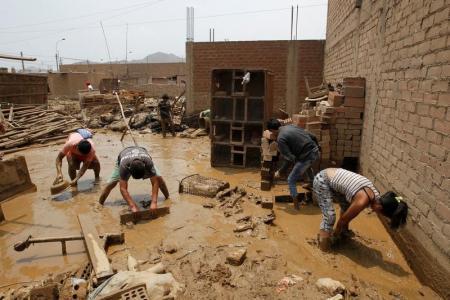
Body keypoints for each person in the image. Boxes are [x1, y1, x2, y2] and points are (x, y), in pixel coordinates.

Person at [313, 168, 408, 251]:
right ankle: (323, 247)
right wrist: (335, 234)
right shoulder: (362, 201)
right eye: (380, 213)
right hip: (322, 180)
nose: (376, 213)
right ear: (380, 207)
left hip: (334, 176)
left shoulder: (376, 194)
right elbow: (342, 220)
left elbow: (398, 199)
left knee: (347, 209)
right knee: (330, 217)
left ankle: (344, 233)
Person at [266, 119, 320, 209]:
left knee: (291, 179)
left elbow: (291, 159)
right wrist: (318, 147)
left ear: (272, 130)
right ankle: (312, 183)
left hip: (307, 156)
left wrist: (280, 172)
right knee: (307, 166)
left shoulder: (281, 139)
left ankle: (296, 206)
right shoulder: (291, 126)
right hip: (315, 151)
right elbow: (313, 136)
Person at [98, 146, 169, 212]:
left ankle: (168, 198)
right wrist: (132, 206)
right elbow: (123, 188)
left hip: (143, 154)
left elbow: (155, 182)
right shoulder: (124, 166)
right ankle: (100, 204)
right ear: (129, 170)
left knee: (159, 179)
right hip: (124, 155)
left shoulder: (148, 162)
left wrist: (154, 202)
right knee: (111, 183)